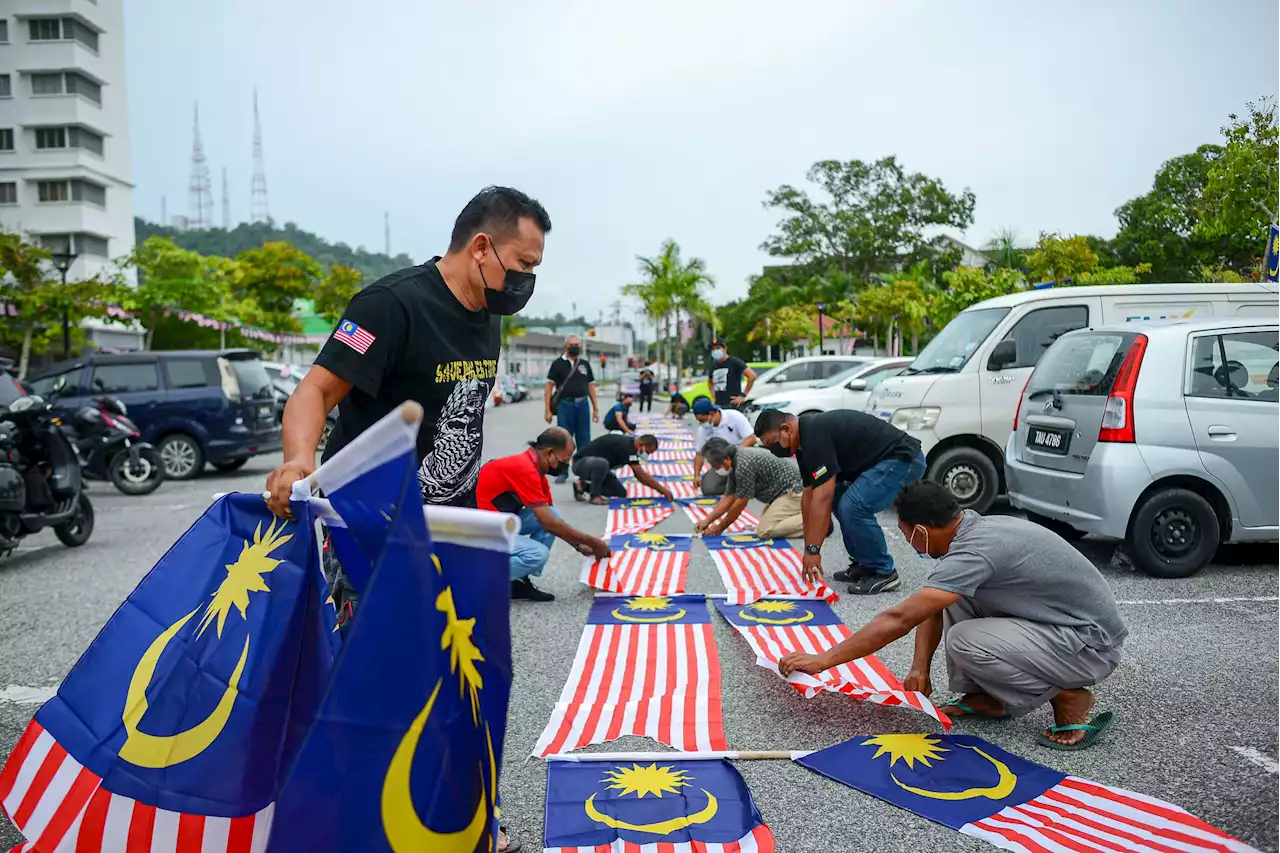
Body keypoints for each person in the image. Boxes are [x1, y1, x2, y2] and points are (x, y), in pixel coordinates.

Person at [264, 185, 550, 853]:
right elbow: (315, 388)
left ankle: (462, 815)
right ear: (481, 246)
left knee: (461, 675)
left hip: (447, 531)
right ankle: (352, 821)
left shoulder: (489, 314)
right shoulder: (391, 305)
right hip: (369, 531)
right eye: (522, 264)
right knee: (376, 682)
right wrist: (296, 458)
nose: (526, 281)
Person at [779, 480, 1125, 751]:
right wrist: (919, 668)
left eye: (904, 533)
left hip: (1088, 644)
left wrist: (824, 661)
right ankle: (985, 697)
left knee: (964, 640)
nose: (907, 541)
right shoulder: (971, 529)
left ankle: (1068, 697)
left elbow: (899, 618)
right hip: (1064, 627)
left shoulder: (976, 551)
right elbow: (928, 607)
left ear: (922, 532)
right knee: (947, 597)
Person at [754, 408, 925, 595]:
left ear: (786, 429)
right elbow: (809, 496)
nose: (774, 450)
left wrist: (813, 551)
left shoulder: (814, 436)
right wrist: (808, 547)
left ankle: (883, 571)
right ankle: (865, 563)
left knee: (852, 506)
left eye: (773, 443)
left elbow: (822, 496)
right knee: (839, 497)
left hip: (904, 459)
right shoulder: (804, 443)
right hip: (883, 462)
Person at [477, 427, 611, 603]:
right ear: (549, 452)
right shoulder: (523, 468)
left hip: (501, 521)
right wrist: (593, 542)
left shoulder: (537, 472)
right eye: (565, 459)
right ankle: (479, 582)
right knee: (537, 554)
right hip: (482, 529)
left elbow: (553, 521)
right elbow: (550, 524)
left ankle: (517, 580)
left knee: (551, 514)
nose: (566, 465)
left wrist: (578, 545)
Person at [694, 437, 804, 538]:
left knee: (765, 530)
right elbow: (728, 498)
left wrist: (719, 528)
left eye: (715, 466)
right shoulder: (736, 460)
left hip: (794, 492)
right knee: (770, 521)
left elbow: (740, 503)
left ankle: (814, 522)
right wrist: (707, 521)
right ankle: (804, 513)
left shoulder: (743, 464)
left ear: (726, 459)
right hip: (784, 493)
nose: (716, 470)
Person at [544, 335, 598, 483]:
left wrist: (595, 408)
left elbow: (591, 387)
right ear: (566, 346)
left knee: (584, 439)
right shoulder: (557, 364)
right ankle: (563, 471)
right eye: (572, 344)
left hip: (582, 405)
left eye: (577, 344)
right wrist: (547, 410)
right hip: (565, 405)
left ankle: (584, 471)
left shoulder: (585, 364)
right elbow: (548, 388)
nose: (575, 347)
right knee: (563, 439)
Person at [571, 432, 674, 504]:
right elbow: (640, 474)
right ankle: (595, 496)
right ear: (641, 445)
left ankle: (582, 486)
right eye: (647, 452)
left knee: (620, 492)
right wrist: (663, 491)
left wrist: (662, 491)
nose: (646, 455)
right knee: (602, 463)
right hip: (581, 464)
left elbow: (640, 476)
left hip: (597, 469)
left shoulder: (631, 447)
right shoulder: (626, 446)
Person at [691, 397, 754, 496]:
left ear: (711, 413)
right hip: (722, 465)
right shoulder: (703, 430)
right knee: (708, 488)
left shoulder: (734, 416)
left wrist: (734, 453)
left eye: (703, 420)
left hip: (740, 458)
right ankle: (734, 484)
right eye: (699, 421)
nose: (701, 424)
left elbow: (751, 438)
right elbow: (699, 454)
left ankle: (747, 481)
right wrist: (696, 475)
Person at [707, 337, 755, 410]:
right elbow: (710, 382)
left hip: (733, 405)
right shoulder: (714, 366)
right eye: (713, 349)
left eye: (718, 348)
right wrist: (713, 396)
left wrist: (743, 395)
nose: (715, 351)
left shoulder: (734, 362)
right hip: (719, 406)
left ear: (725, 348)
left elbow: (752, 376)